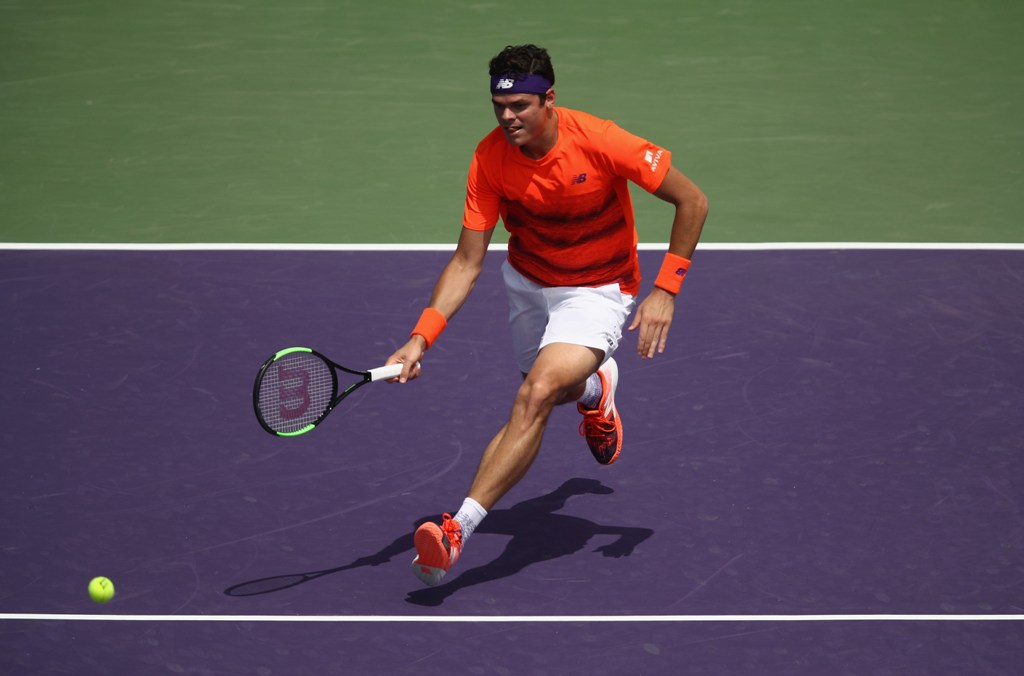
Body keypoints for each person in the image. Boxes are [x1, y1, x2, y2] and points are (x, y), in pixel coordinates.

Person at [386, 44, 708, 587]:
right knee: (547, 395)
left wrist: (665, 290)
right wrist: (422, 337)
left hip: (598, 289)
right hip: (530, 286)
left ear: (549, 99)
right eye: (498, 106)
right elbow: (467, 261)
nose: (507, 117)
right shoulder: (489, 158)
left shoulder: (601, 140)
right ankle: (594, 392)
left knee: (533, 396)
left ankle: (457, 529)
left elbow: (692, 200)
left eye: (520, 106)